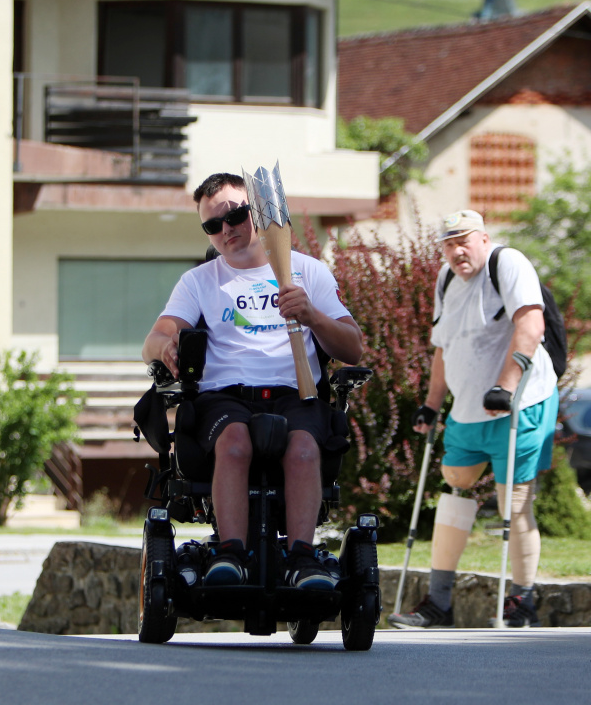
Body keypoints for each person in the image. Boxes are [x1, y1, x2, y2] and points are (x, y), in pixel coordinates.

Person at [141, 172, 363, 590]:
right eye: (213, 225)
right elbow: (153, 339)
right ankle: (230, 554)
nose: (226, 229)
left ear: (258, 213)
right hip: (224, 397)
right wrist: (165, 348)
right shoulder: (199, 281)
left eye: (236, 216)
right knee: (234, 442)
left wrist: (313, 316)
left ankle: (301, 560)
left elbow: (353, 348)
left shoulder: (308, 272)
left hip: (297, 394)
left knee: (303, 449)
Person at [389, 210, 559, 629]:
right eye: (448, 244)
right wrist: (432, 404)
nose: (456, 251)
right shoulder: (446, 279)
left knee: (513, 501)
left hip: (522, 403)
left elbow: (531, 325)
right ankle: (438, 604)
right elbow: (443, 347)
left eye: (463, 241)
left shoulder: (508, 262)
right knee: (456, 482)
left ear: (483, 238)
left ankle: (521, 603)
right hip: (467, 408)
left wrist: (506, 385)